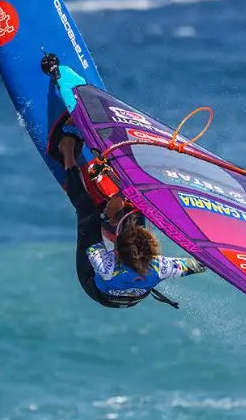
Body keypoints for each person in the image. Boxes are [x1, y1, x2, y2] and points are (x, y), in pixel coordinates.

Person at [41, 53, 208, 308]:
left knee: (87, 213)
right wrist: (220, 256)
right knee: (135, 211)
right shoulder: (161, 265)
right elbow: (196, 266)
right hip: (135, 293)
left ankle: (66, 148)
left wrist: (104, 215)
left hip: (99, 289)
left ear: (116, 254)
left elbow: (94, 239)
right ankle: (115, 205)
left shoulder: (105, 265)